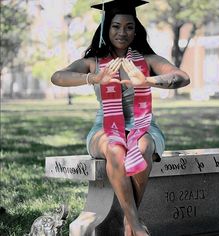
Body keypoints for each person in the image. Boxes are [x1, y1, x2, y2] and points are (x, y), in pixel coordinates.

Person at [51, 0, 190, 235]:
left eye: (128, 27)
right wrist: (93, 79)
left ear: (136, 30)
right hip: (104, 127)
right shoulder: (94, 63)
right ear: (107, 29)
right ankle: (135, 223)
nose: (122, 32)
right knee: (116, 149)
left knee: (143, 144)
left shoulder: (146, 60)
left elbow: (182, 77)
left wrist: (149, 80)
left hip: (144, 125)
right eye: (116, 26)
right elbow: (57, 77)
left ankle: (129, 222)